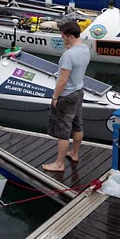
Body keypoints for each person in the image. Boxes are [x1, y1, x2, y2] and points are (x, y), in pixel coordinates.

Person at [42, 20, 91, 172]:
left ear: (70, 36)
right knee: (77, 124)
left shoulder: (68, 55)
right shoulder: (85, 49)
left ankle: (59, 164)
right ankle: (74, 153)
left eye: (63, 36)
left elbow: (62, 80)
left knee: (63, 130)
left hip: (67, 95)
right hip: (78, 91)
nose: (61, 39)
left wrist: (55, 97)